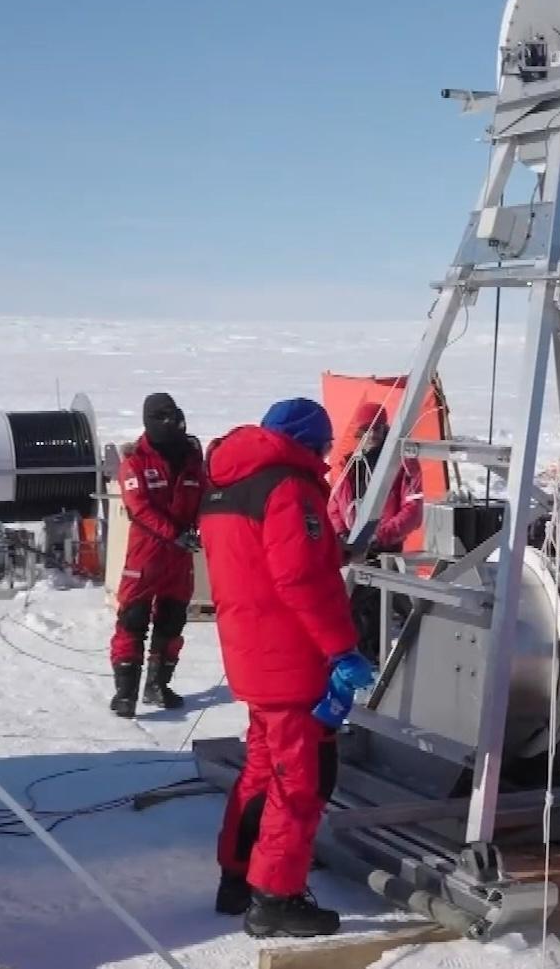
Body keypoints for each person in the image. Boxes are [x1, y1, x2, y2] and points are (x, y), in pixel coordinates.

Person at [200, 398, 376, 939]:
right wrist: (342, 649)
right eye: (324, 448)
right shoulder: (288, 487)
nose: (326, 459)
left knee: (261, 769)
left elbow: (265, 560)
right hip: (290, 659)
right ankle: (276, 897)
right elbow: (299, 580)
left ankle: (240, 876)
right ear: (306, 442)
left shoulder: (227, 486)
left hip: (253, 657)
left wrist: (332, 551)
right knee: (301, 782)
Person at [108, 393, 206, 718]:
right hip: (146, 554)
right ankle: (126, 693)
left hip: (180, 557)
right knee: (133, 620)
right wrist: (174, 533)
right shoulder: (135, 462)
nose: (169, 423)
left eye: (172, 416)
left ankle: (158, 684)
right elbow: (139, 508)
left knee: (172, 621)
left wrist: (201, 530)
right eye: (161, 417)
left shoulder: (193, 459)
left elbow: (204, 498)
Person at [328, 400, 425, 658]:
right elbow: (333, 505)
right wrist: (342, 534)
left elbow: (414, 511)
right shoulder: (346, 465)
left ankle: (375, 663)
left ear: (386, 430)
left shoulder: (403, 464)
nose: (372, 434)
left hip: (386, 550)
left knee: (376, 611)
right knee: (349, 611)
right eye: (367, 428)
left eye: (378, 428)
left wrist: (382, 534)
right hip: (351, 548)